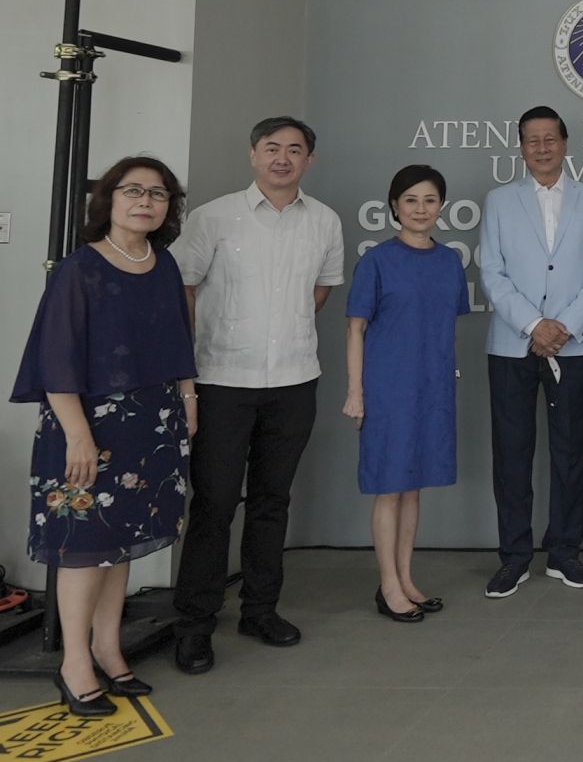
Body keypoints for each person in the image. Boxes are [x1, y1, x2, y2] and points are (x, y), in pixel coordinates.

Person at [12, 157, 198, 716]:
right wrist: (78, 436)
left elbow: (180, 341)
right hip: (88, 426)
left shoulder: (163, 264)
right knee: (82, 547)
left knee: (121, 543)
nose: (145, 201)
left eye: (158, 193)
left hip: (153, 422)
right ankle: (73, 664)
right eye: (133, 190)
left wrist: (189, 402)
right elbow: (55, 360)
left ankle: (108, 648)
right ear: (109, 200)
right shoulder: (80, 269)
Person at [170, 117, 344, 674]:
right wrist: (191, 377)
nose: (283, 159)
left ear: (309, 160)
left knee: (273, 501)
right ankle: (195, 623)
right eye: (272, 148)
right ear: (253, 155)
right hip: (221, 381)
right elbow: (185, 289)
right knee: (214, 504)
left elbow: (320, 290)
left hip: (294, 380)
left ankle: (260, 609)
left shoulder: (324, 221)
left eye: (295, 150)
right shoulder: (213, 217)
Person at [479, 106, 583, 598]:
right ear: (520, 146)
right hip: (513, 344)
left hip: (575, 346)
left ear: (565, 143)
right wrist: (535, 324)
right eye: (532, 140)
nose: (541, 148)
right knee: (512, 454)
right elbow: (491, 271)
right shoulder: (499, 200)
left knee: (569, 451)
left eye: (550, 139)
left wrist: (564, 326)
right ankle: (514, 557)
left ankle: (564, 553)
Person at [343, 165, 470, 622]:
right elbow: (356, 329)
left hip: (432, 385)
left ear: (441, 206)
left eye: (430, 200)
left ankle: (407, 577)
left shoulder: (449, 260)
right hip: (388, 386)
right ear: (394, 205)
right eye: (411, 200)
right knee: (390, 488)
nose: (421, 208)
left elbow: (442, 325)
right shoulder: (377, 260)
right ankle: (388, 585)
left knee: (415, 487)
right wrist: (355, 392)